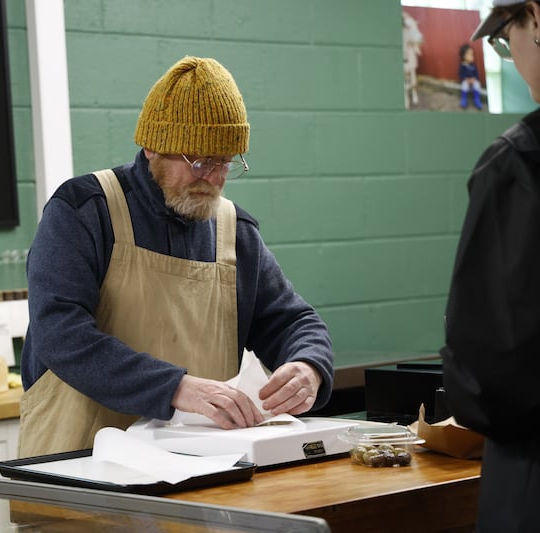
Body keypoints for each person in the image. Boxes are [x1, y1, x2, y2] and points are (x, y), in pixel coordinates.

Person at [18, 56, 334, 458]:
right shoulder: (85, 210)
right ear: (152, 146)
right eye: (200, 161)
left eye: (226, 162)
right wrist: (175, 388)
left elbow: (293, 321)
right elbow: (60, 334)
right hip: (78, 464)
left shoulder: (234, 230)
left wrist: (308, 366)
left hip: (199, 469)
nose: (214, 179)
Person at [442, 1, 540, 531]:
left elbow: (491, 376)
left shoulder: (520, 164)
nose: (512, 58)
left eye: (507, 39)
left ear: (536, 18)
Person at [458, 43, 484, 109]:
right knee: (464, 84)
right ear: (464, 56)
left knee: (477, 84)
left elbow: (476, 74)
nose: (472, 57)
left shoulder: (473, 65)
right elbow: (461, 75)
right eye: (470, 55)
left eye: (473, 55)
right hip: (466, 81)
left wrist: (474, 79)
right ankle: (464, 99)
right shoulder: (462, 66)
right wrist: (466, 79)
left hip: (473, 81)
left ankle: (477, 99)